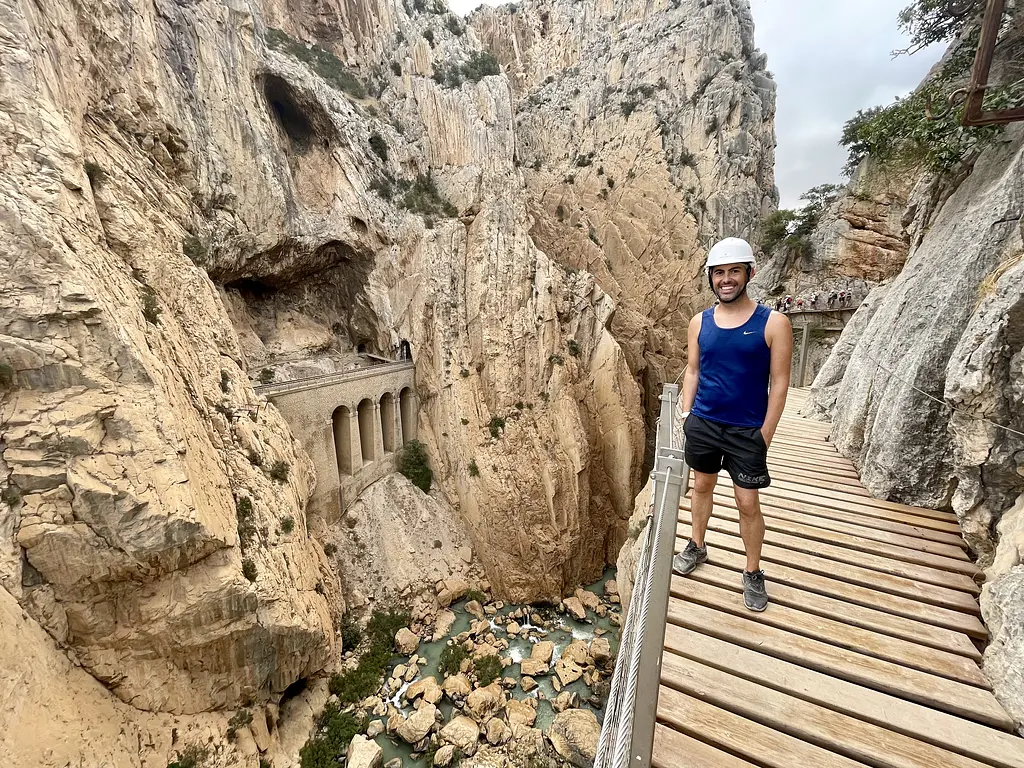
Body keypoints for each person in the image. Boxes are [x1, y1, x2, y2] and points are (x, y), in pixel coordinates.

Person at [673, 237, 794, 611]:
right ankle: (697, 545)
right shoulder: (699, 322)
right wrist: (686, 412)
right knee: (701, 487)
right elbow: (693, 370)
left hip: (747, 430)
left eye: (734, 272)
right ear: (711, 278)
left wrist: (765, 435)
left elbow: (781, 383)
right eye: (720, 273)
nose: (726, 279)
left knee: (747, 503)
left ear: (749, 274)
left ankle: (753, 571)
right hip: (705, 422)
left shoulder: (774, 323)